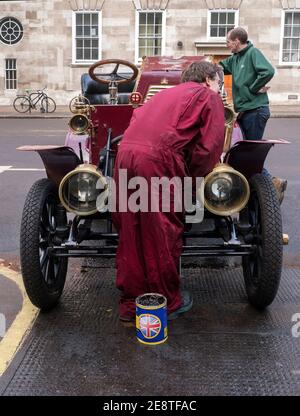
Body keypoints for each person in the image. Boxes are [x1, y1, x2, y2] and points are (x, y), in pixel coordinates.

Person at [112, 61, 225, 322]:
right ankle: (166, 300)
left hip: (125, 155)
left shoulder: (162, 95)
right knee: (160, 230)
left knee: (131, 229)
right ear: (209, 79)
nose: (219, 89)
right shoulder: (207, 96)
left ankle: (132, 302)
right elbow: (209, 148)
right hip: (158, 159)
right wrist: (193, 180)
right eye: (219, 83)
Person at [220, 27, 287, 203]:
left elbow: (268, 71)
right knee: (242, 151)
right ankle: (256, 187)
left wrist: (253, 87)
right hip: (245, 111)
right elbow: (218, 68)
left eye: (228, 42)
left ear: (236, 41)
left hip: (256, 111)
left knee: (250, 153)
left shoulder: (252, 53)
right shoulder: (235, 59)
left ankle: (272, 184)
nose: (227, 45)